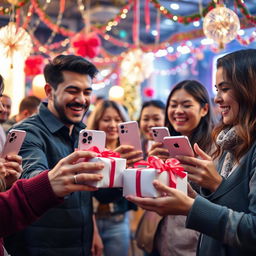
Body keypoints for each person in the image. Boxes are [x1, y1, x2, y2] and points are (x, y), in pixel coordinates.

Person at [127, 49, 256, 256]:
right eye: (217, 89)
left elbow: (249, 227)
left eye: (225, 89)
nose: (218, 99)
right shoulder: (229, 142)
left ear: (248, 89)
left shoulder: (219, 145)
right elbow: (227, 206)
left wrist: (200, 197)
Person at [5, 55, 122, 256]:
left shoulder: (83, 134)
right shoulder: (28, 132)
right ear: (50, 91)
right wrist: (59, 178)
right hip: (39, 247)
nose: (82, 100)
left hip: (80, 244)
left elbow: (100, 194)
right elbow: (31, 179)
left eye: (87, 92)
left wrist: (120, 171)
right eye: (72, 91)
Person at [138, 80, 214, 256]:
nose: (178, 111)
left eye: (186, 105)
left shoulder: (215, 148)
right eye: (173, 105)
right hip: (159, 236)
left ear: (204, 109)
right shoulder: (164, 145)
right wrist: (152, 166)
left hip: (195, 241)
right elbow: (149, 192)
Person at [86, 100, 141, 256]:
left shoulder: (131, 151)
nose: (112, 124)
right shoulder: (89, 151)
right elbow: (91, 192)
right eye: (106, 119)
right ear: (97, 122)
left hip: (118, 220)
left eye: (117, 120)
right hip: (91, 221)